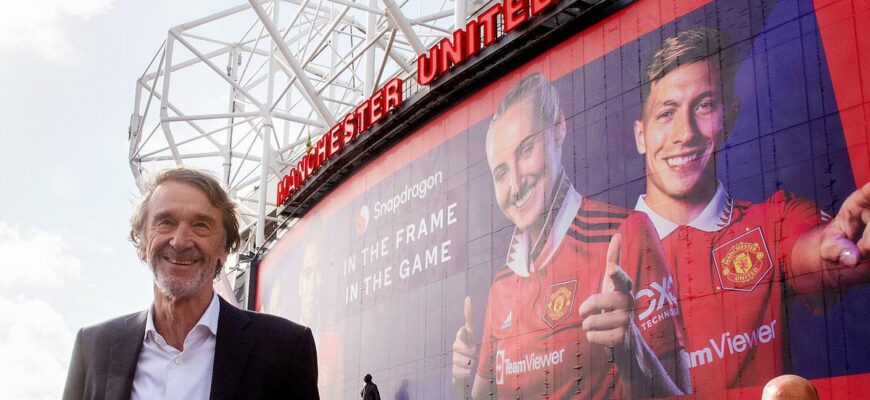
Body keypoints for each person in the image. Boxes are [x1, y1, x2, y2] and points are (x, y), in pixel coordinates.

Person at [631, 27, 870, 395]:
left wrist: (840, 247)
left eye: (704, 106)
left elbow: (814, 250)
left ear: (729, 116)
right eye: (666, 113)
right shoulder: (602, 257)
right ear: (641, 136)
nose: (685, 133)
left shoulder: (774, 221)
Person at [451, 73, 690, 399]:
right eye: (501, 173)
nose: (516, 184)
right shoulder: (502, 285)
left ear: (559, 128)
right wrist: (461, 384)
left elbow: (681, 395)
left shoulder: (625, 234)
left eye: (526, 150)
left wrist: (631, 349)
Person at [62, 167, 319, 400]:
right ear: (141, 241)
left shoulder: (285, 349)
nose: (180, 241)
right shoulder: (94, 348)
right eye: (166, 222)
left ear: (224, 249)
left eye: (201, 226)